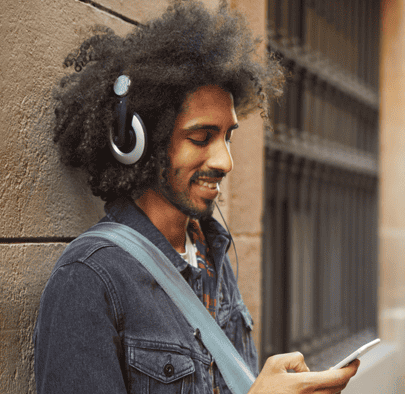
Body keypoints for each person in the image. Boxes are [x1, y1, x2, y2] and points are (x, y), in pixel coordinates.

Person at [33, 1, 359, 393]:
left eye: (228, 136)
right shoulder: (88, 280)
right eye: (201, 137)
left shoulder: (212, 251)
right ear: (137, 144)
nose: (226, 161)